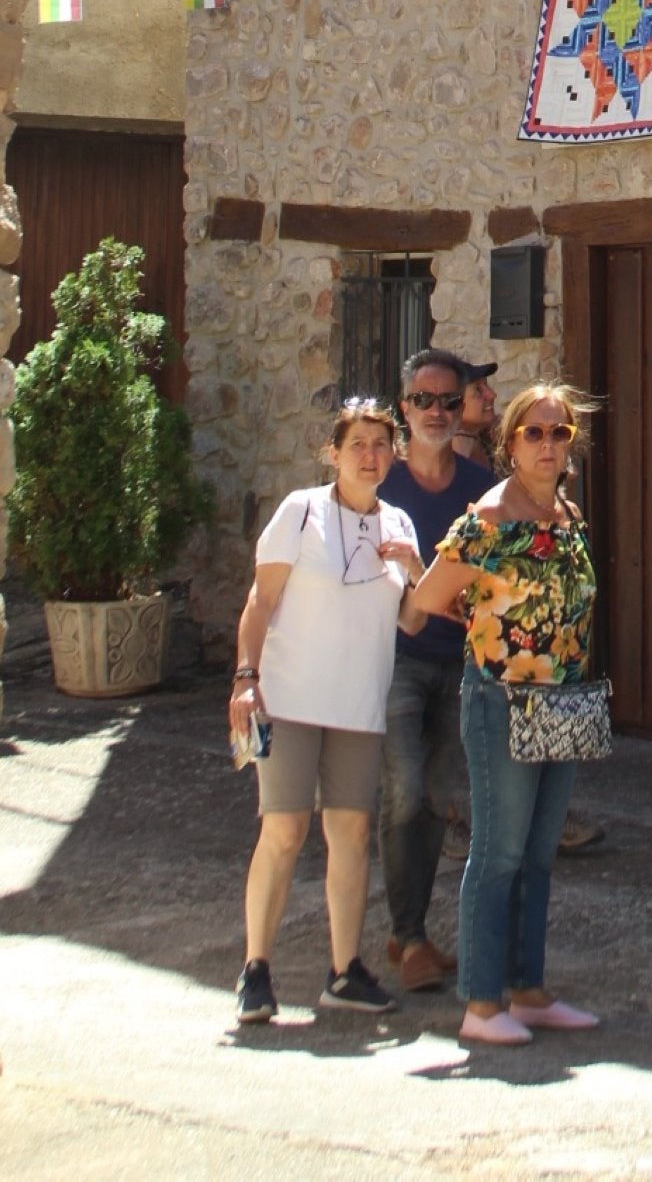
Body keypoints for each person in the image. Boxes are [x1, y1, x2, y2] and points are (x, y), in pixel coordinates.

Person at [403, 380, 600, 1047]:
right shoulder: (489, 519)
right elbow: (430, 595)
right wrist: (484, 621)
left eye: (559, 433)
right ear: (511, 442)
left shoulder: (567, 515)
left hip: (564, 697)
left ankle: (530, 990)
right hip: (501, 699)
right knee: (498, 852)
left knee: (540, 853)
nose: (547, 445)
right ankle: (482, 1005)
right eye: (534, 433)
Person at [228, 400, 427, 1026]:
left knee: (352, 836)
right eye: (358, 444)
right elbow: (261, 602)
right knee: (283, 832)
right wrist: (245, 679)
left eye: (381, 445)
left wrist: (415, 568)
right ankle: (256, 969)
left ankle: (344, 972)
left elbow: (413, 619)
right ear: (334, 453)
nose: (370, 456)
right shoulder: (301, 511)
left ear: (393, 455)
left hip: (358, 705)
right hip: (289, 700)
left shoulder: (399, 522)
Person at [378, 349, 491, 992]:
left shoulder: (480, 491)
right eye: (424, 400)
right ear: (404, 409)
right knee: (404, 792)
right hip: (394, 661)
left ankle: (405, 933)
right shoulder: (380, 484)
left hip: (460, 663)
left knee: (435, 798)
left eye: (450, 401)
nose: (438, 412)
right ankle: (414, 936)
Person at [451, 359, 498, 468]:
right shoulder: (448, 460)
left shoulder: (489, 438)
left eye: (486, 385)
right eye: (478, 390)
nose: (492, 395)